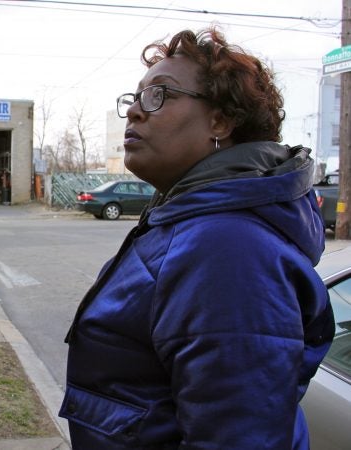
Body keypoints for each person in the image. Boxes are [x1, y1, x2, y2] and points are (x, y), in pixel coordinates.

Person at [59, 27, 334, 449]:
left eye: (160, 95)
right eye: (135, 97)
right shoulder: (192, 219)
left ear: (220, 120)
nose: (134, 111)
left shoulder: (228, 247)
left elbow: (240, 439)